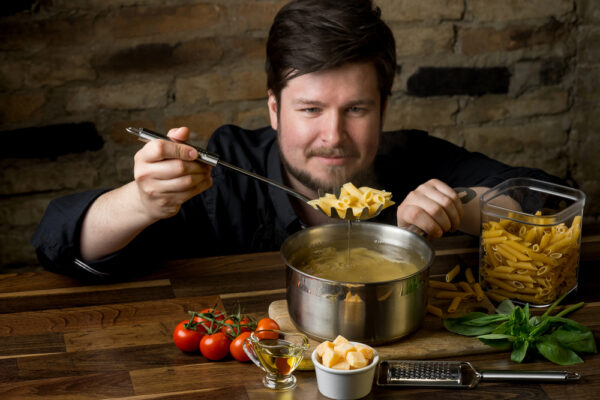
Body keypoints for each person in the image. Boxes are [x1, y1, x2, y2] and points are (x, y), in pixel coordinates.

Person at [31, 0, 563, 280]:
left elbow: (550, 203)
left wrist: (466, 209)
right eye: (310, 109)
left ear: (383, 109)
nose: (333, 137)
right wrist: (140, 201)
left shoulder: (415, 160)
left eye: (356, 109)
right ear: (274, 108)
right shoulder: (225, 172)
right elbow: (58, 242)